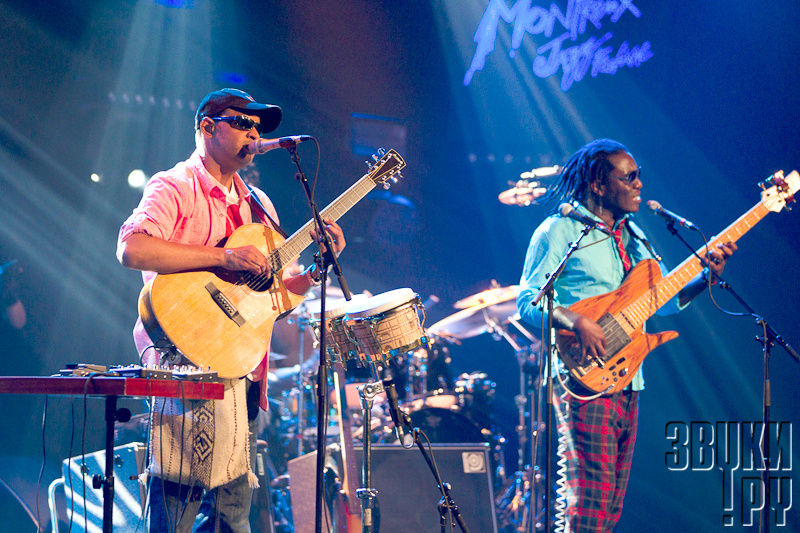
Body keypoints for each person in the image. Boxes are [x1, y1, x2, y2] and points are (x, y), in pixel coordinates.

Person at [117, 87, 345, 532]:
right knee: (175, 512)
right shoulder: (175, 185)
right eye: (242, 123)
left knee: (231, 515)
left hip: (241, 371)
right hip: (182, 365)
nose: (254, 133)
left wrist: (318, 269)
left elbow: (273, 302)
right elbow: (132, 248)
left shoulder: (259, 205)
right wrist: (224, 257)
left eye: (257, 127)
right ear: (207, 126)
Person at [516, 139, 736, 532]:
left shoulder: (635, 236)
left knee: (609, 505)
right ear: (599, 185)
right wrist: (574, 321)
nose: (639, 184)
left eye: (639, 176)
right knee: (587, 500)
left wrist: (706, 277)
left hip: (627, 375)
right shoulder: (559, 230)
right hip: (582, 376)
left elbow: (663, 301)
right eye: (628, 177)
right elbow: (527, 302)